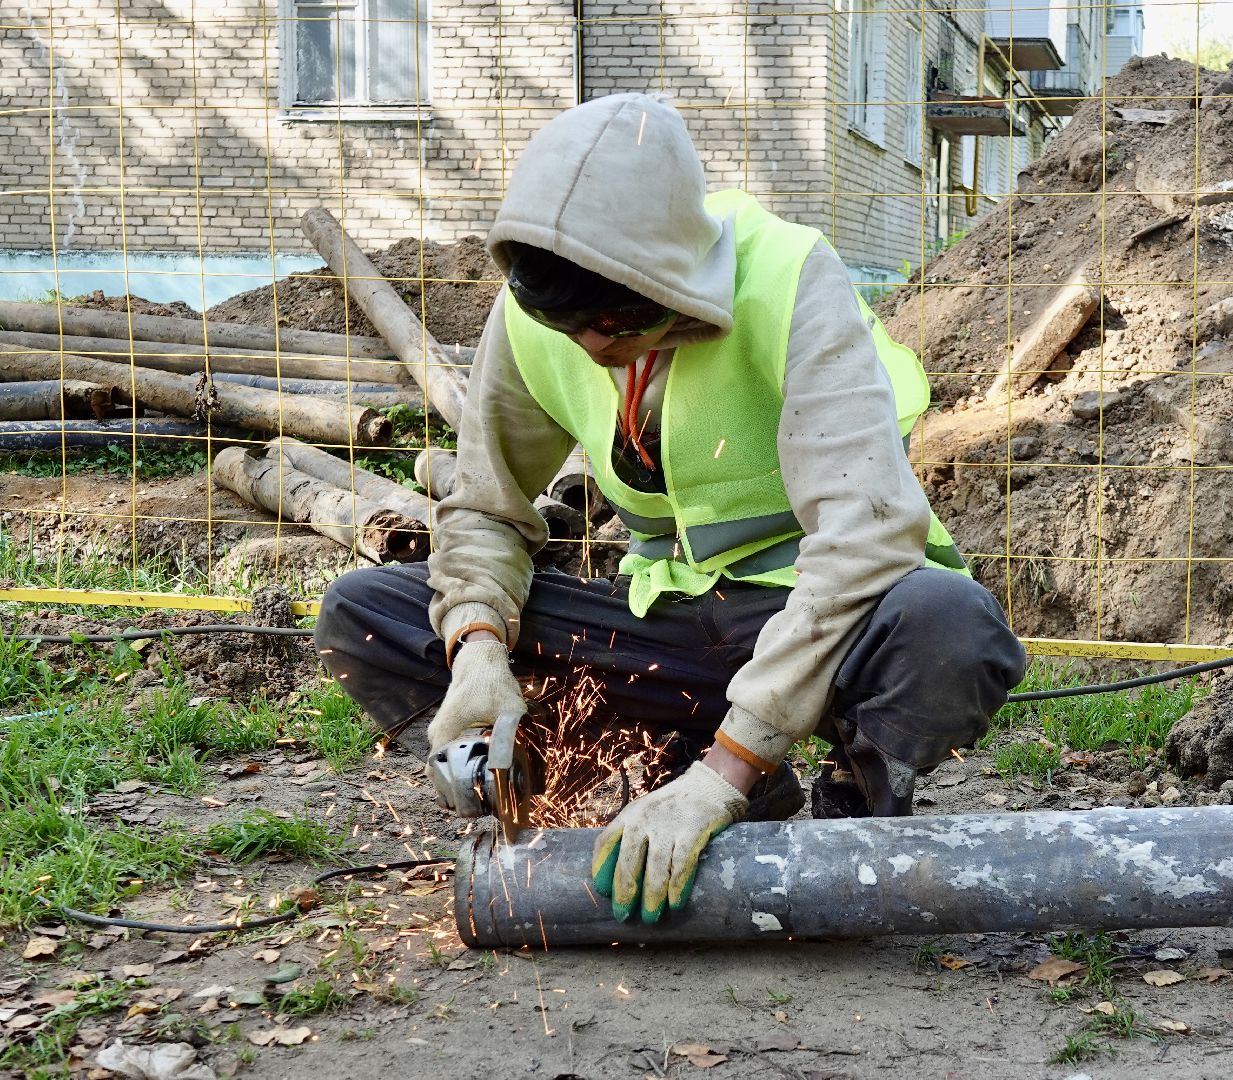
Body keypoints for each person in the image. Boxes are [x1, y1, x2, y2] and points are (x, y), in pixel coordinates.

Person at [313, 93, 1027, 925]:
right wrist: (475, 646)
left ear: (666, 279)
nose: (593, 349)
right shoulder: (536, 307)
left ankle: (835, 798)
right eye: (567, 325)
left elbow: (867, 540)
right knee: (365, 613)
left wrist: (726, 772)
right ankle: (610, 788)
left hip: (817, 625)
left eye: (611, 323)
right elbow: (484, 510)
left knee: (951, 625)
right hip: (666, 627)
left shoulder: (789, 278)